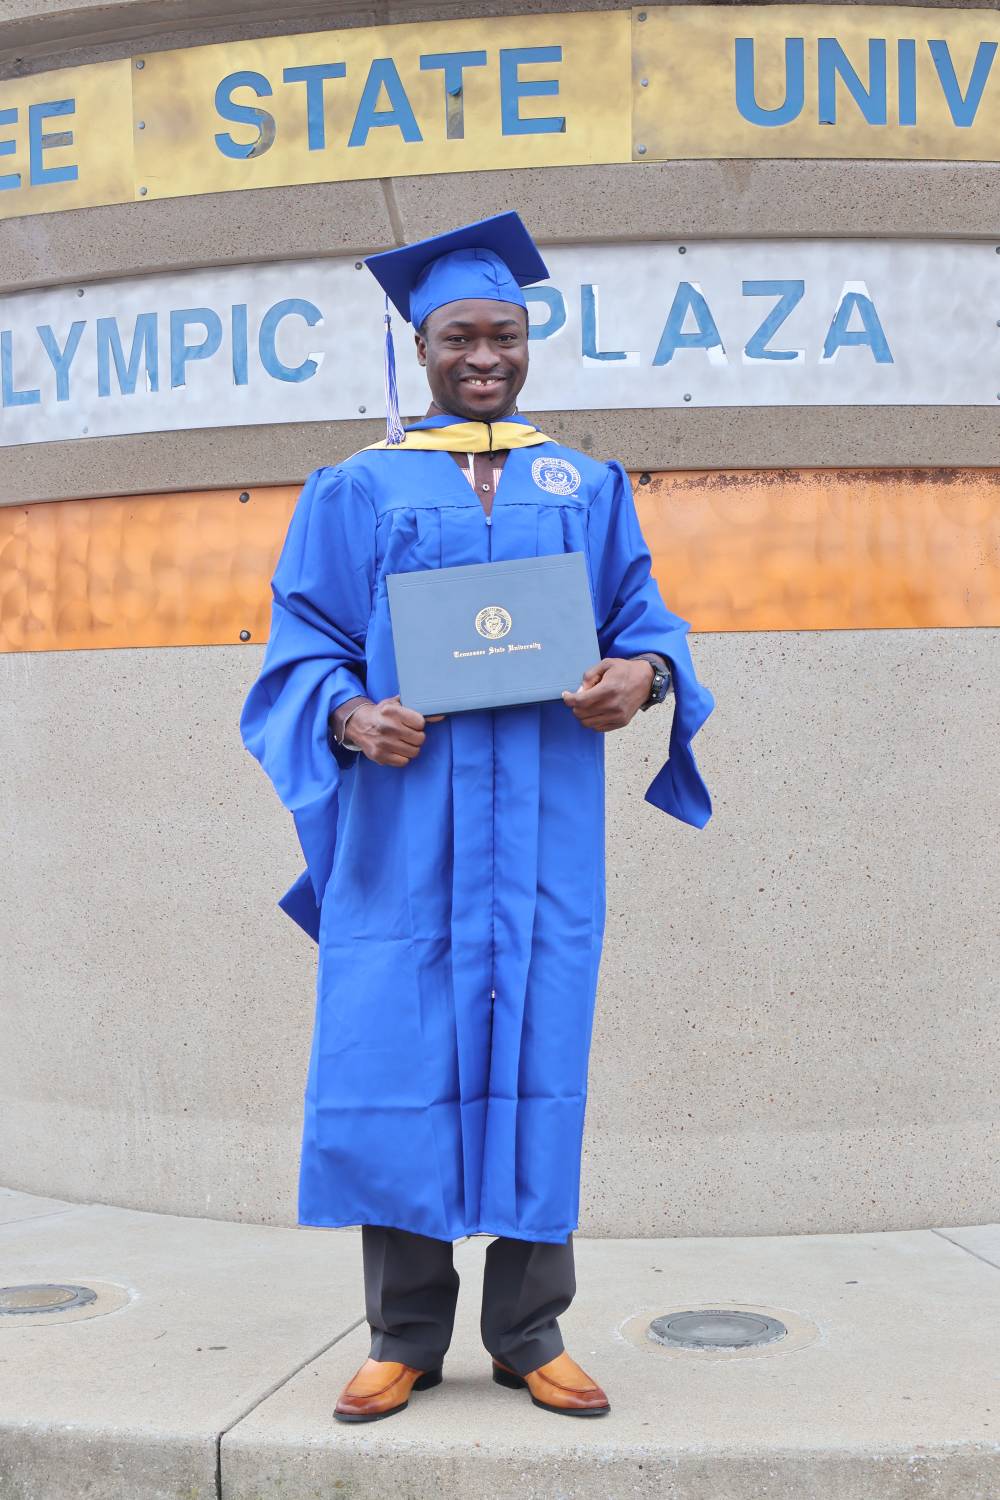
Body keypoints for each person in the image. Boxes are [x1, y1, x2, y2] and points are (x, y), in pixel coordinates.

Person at [240, 212, 714, 1424]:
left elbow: (644, 619)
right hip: (411, 831)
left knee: (540, 1058)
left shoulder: (584, 483)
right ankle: (403, 1335)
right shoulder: (359, 487)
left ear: (528, 339)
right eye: (460, 335)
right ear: (421, 343)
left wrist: (643, 678)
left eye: (504, 333)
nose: (484, 356)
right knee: (399, 1057)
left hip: (543, 831)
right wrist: (349, 719)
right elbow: (304, 648)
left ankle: (527, 1333)